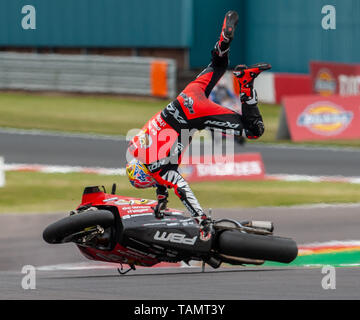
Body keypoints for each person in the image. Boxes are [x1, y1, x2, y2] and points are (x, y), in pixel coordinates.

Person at [126, 10, 267, 235]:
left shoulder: (156, 168)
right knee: (218, 65)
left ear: (146, 177)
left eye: (150, 182)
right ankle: (223, 41)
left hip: (196, 114)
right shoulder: (137, 146)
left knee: (253, 131)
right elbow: (162, 174)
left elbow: (181, 188)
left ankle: (246, 84)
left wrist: (201, 220)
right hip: (187, 95)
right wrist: (161, 198)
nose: (154, 182)